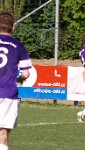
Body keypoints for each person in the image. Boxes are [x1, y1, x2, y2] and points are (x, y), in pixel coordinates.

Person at [0, 12, 32, 150]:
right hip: (8, 93)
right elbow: (25, 74)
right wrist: (18, 78)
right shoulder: (18, 46)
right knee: (3, 134)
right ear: (13, 28)